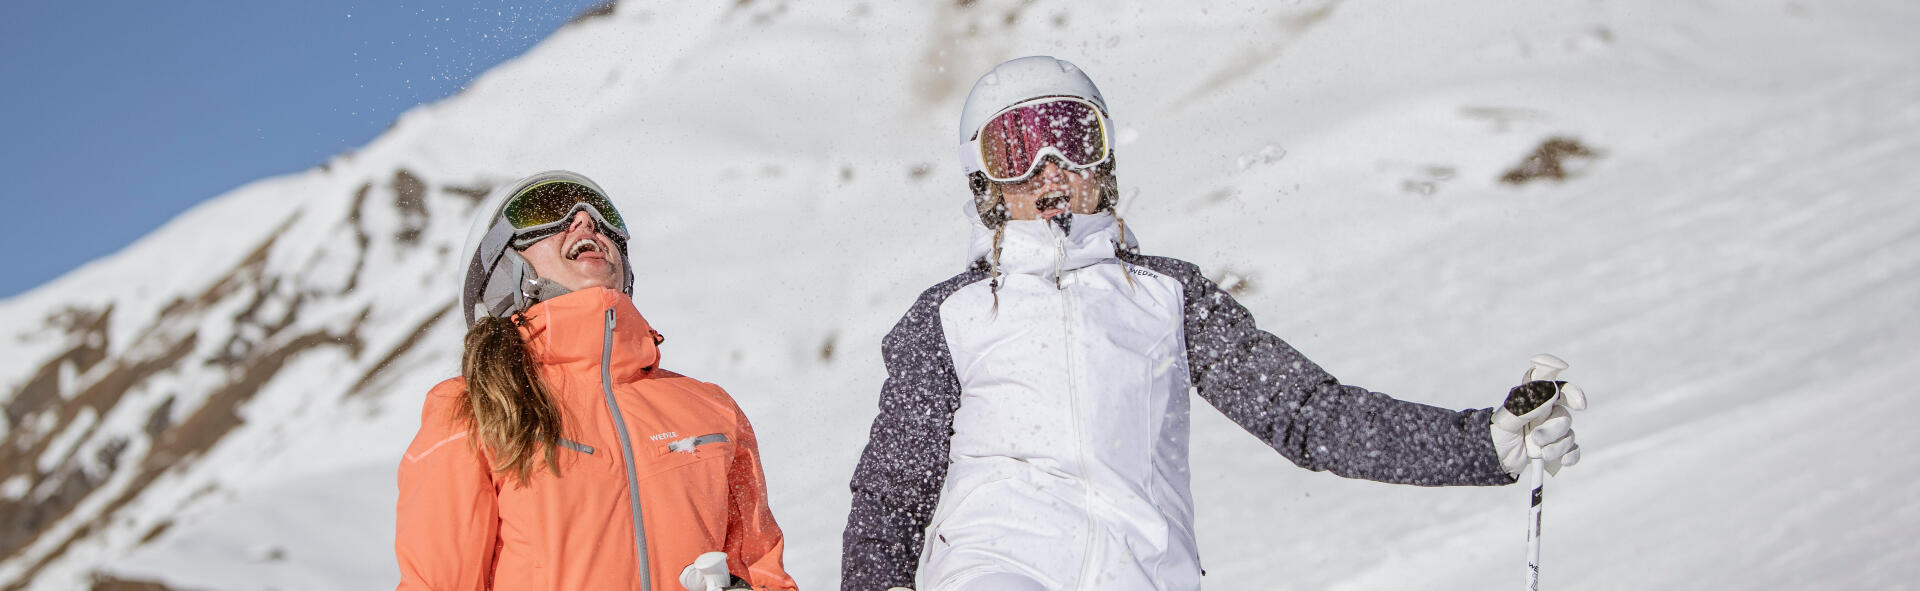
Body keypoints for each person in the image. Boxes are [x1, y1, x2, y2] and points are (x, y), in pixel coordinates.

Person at [840, 57, 1587, 591]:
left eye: (1074, 137)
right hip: (994, 566)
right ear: (986, 183)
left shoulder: (1170, 296)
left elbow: (1309, 416)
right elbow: (892, 492)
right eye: (1018, 148)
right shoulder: (949, 315)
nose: (1051, 167)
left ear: (1104, 161)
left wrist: (1481, 442)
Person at [396, 171, 798, 591]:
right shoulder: (471, 408)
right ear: (503, 265)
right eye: (545, 210)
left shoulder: (709, 408)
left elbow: (761, 567)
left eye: (603, 216)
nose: (585, 221)